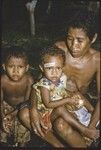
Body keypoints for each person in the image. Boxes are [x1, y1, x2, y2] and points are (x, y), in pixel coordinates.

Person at [26, 10, 100, 147]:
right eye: (70, 38)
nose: (73, 46)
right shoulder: (58, 49)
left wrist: (91, 127)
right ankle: (58, 145)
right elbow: (39, 84)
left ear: (93, 38)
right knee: (24, 114)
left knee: (61, 125)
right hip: (49, 100)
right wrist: (33, 110)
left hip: (73, 108)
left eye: (80, 41)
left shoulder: (97, 60)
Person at [19, 47, 99, 147]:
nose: (54, 72)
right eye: (49, 68)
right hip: (47, 114)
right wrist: (67, 100)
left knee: (77, 95)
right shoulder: (44, 85)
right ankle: (84, 130)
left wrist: (72, 96)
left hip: (60, 106)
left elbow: (61, 90)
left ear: (62, 67)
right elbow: (48, 104)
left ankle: (93, 114)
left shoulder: (61, 77)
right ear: (41, 68)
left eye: (58, 68)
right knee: (61, 109)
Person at [0, 46, 34, 147]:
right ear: (4, 67)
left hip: (22, 107)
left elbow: (27, 102)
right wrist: (3, 118)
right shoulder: (2, 81)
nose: (15, 71)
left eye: (20, 67)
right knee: (3, 130)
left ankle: (21, 143)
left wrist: (13, 114)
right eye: (11, 67)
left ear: (27, 67)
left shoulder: (29, 80)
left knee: (22, 133)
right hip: (6, 106)